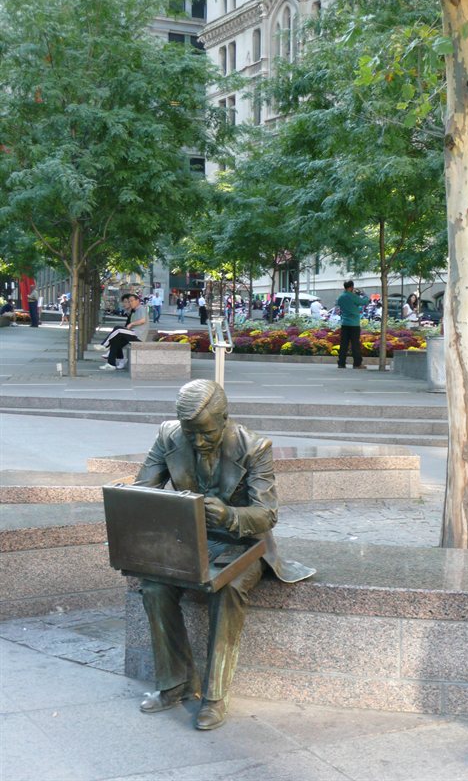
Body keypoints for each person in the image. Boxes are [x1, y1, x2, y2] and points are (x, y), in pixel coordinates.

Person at [135, 379, 315, 730]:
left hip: (244, 542)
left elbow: (267, 514)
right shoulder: (169, 436)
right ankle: (174, 683)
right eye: (191, 433)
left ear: (224, 418)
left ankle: (215, 696)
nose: (198, 441)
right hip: (190, 541)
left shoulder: (254, 447)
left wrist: (230, 515)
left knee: (228, 587)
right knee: (154, 586)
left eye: (206, 433)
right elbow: (144, 491)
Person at [94, 293, 149, 370]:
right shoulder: (135, 311)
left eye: (132, 301)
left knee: (118, 329)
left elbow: (143, 320)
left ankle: (105, 345)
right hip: (132, 333)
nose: (130, 303)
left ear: (138, 301)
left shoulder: (141, 308)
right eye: (129, 301)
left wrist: (131, 324)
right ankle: (111, 364)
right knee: (115, 341)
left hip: (138, 335)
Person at [335, 280, 369, 370]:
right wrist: (364, 295)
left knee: (344, 344)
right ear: (351, 287)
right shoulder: (352, 296)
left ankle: (341, 363)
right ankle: (357, 364)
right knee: (355, 344)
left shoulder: (340, 297)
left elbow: (338, 304)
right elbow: (364, 302)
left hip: (345, 323)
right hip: (354, 324)